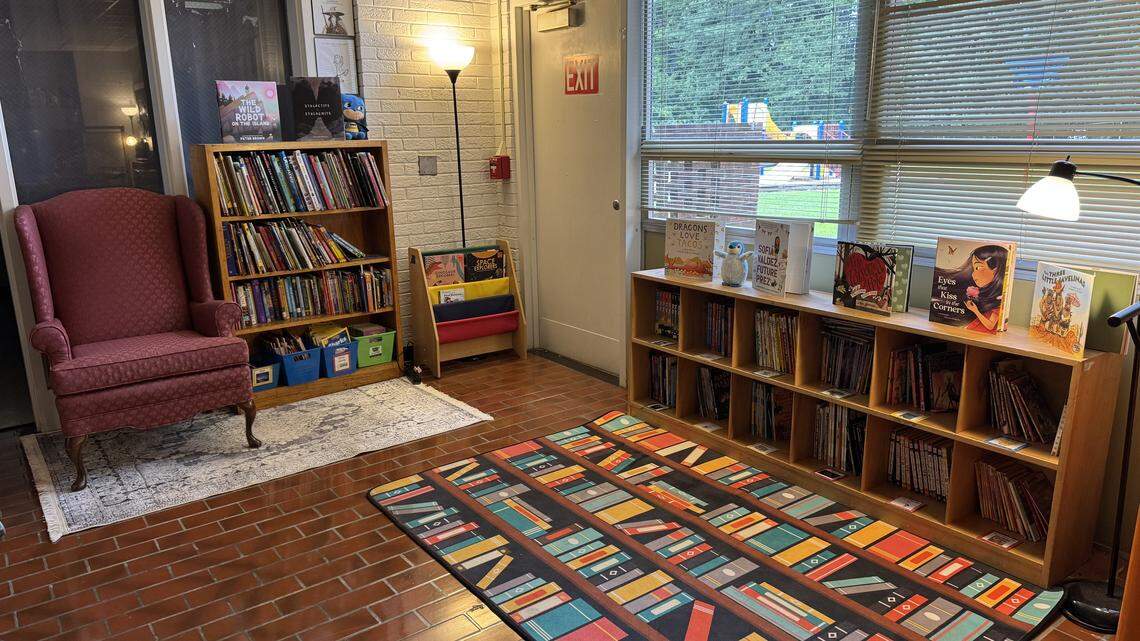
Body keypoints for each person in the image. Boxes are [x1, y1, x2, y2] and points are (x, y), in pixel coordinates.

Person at [934, 245, 1008, 333]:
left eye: (978, 267)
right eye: (973, 269)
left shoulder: (998, 303)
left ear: (996, 269)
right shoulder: (984, 297)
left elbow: (990, 326)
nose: (973, 275)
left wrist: (975, 310)